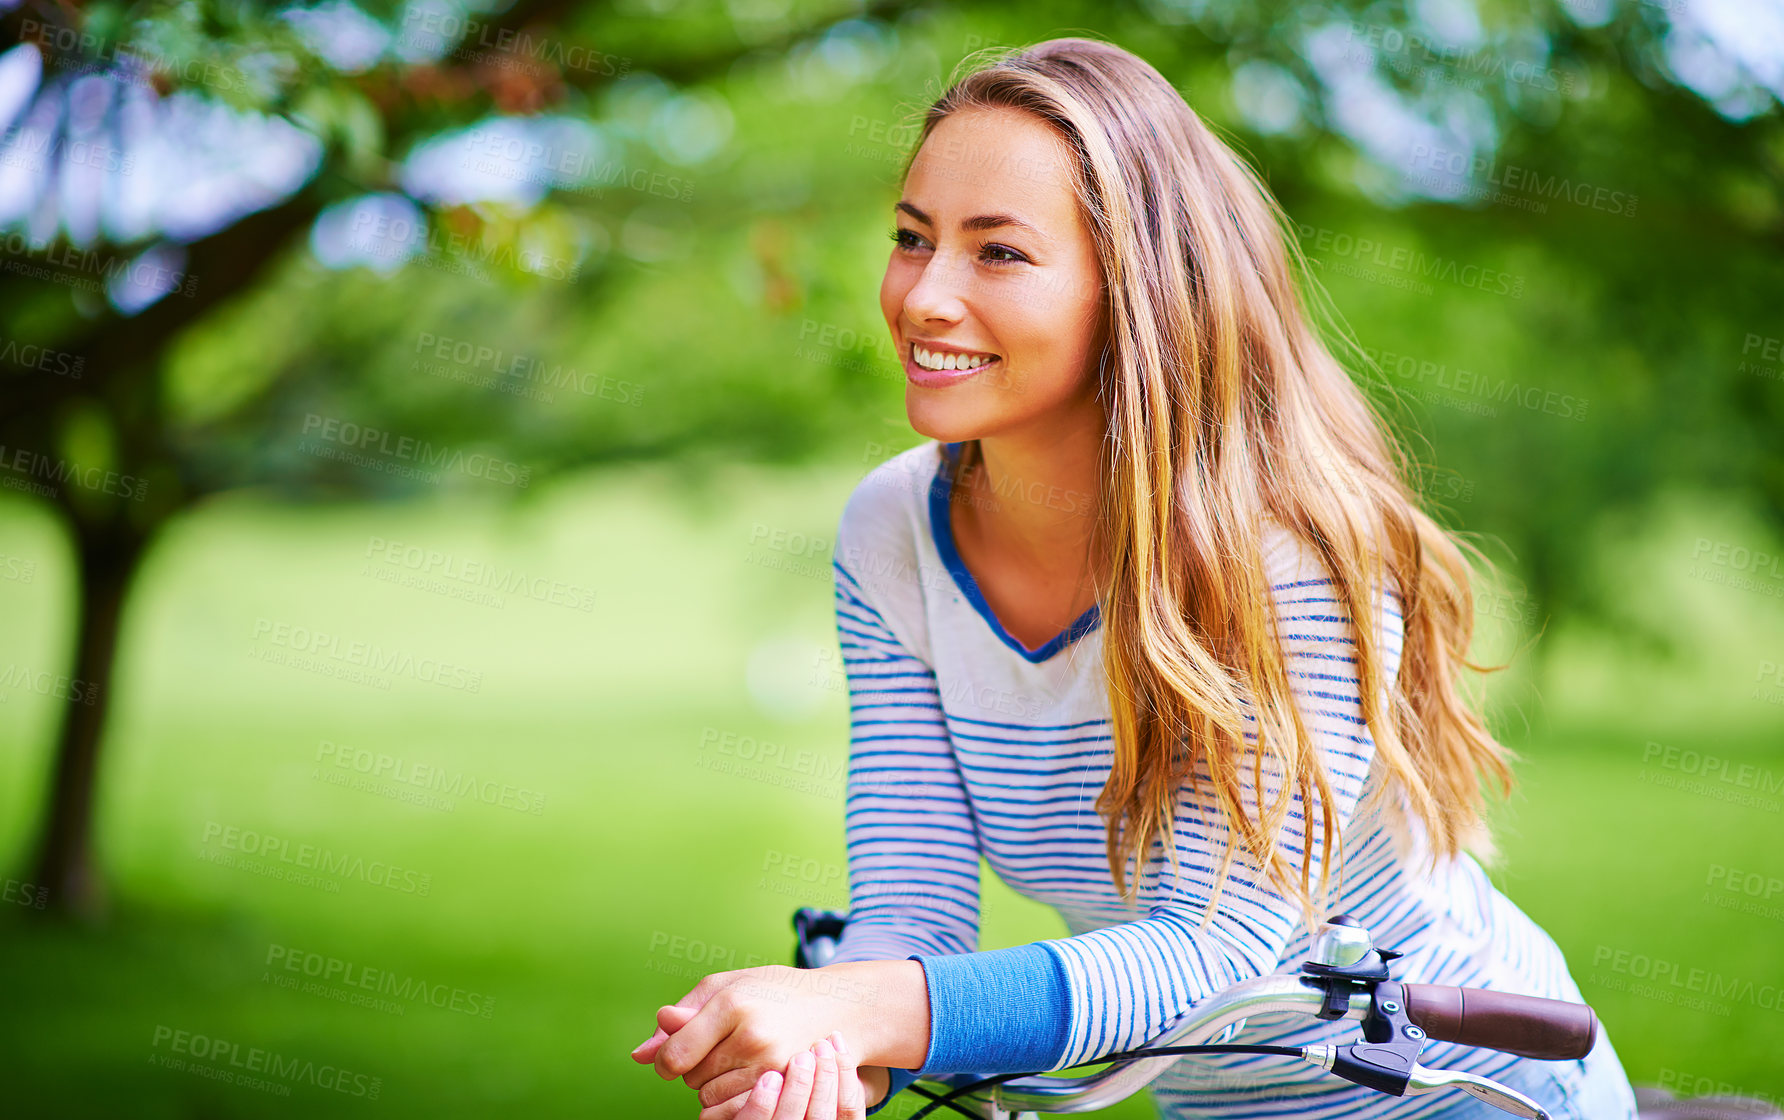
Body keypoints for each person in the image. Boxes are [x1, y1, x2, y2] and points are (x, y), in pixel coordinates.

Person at [632, 35, 1642, 1120]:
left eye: (997, 253)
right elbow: (909, 914)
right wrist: (836, 1067)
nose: (923, 294)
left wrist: (863, 1008)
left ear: (1138, 287)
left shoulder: (1288, 549)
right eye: (911, 238)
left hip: (1467, 1089)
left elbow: (1212, 953)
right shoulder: (891, 529)